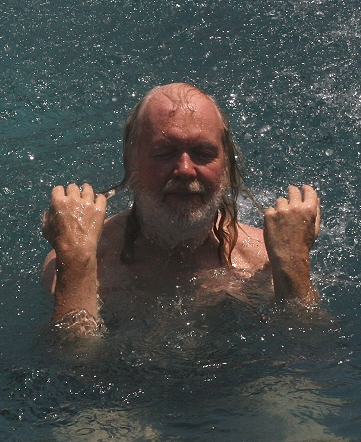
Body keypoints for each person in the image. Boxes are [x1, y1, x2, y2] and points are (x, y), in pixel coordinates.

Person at [41, 82, 322, 338]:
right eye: (164, 153)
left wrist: (293, 261)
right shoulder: (81, 258)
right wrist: (75, 259)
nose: (185, 170)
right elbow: (75, 363)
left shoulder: (263, 261)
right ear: (132, 161)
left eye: (203, 153)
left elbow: (305, 348)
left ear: (226, 166)